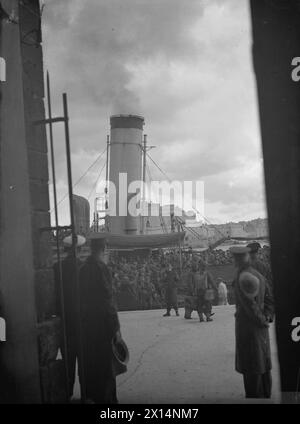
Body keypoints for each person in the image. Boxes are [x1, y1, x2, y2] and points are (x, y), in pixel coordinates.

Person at [79, 236, 121, 404]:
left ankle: (91, 396)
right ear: (104, 249)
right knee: (106, 366)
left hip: (87, 324)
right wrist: (116, 328)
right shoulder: (102, 269)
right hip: (103, 325)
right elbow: (107, 300)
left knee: (91, 363)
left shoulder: (82, 269)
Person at [230, 246, 272, 399]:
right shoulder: (258, 275)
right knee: (263, 367)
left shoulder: (243, 277)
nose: (234, 260)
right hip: (261, 330)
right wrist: (267, 317)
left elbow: (250, 306)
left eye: (235, 258)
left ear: (239, 259)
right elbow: (269, 299)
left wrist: (262, 321)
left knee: (252, 370)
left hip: (249, 330)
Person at [53, 234, 86, 400]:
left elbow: (52, 295)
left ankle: (67, 393)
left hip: (64, 322)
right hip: (82, 322)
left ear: (65, 250)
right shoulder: (84, 267)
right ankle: (86, 393)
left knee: (68, 362)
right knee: (84, 360)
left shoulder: (56, 267)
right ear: (79, 249)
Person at [247, 242, 275, 323]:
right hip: (263, 289)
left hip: (251, 290)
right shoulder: (263, 264)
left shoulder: (246, 265)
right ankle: (267, 315)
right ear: (257, 252)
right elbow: (269, 278)